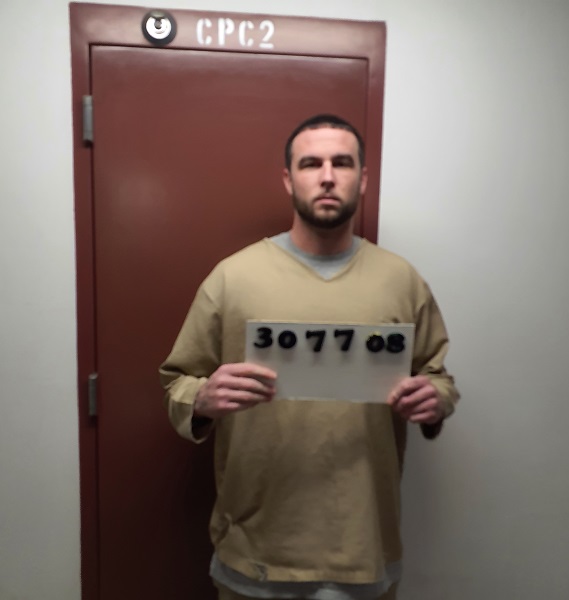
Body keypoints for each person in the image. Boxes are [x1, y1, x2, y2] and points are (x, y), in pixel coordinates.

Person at [159, 114, 459, 600]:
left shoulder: (401, 281)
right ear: (288, 179)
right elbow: (178, 380)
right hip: (255, 552)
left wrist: (435, 401)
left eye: (342, 163)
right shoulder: (233, 278)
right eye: (311, 163)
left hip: (363, 550)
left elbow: (437, 377)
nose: (327, 176)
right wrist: (202, 399)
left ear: (363, 178)